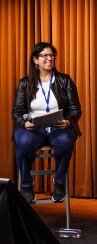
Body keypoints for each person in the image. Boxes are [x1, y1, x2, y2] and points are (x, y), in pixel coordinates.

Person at [13, 42, 82, 203]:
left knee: (65, 140)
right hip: (33, 128)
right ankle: (27, 186)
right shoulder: (25, 83)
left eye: (52, 55)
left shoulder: (64, 81)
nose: (49, 58)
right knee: (22, 141)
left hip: (58, 127)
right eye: (45, 55)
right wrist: (24, 124)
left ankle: (59, 184)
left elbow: (75, 109)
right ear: (35, 60)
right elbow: (17, 111)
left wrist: (68, 121)